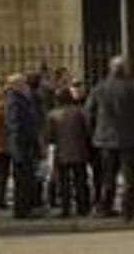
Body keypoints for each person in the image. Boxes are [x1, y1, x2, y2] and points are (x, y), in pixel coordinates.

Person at [86, 56, 134, 219]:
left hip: (106, 140)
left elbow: (88, 113)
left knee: (108, 177)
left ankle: (105, 207)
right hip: (131, 139)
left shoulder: (99, 88)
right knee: (128, 176)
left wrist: (94, 132)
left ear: (110, 69)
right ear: (125, 69)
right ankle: (128, 209)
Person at [47, 86, 92, 218]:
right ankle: (83, 208)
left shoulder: (53, 114)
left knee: (64, 182)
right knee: (81, 180)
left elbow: (49, 137)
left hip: (61, 152)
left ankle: (65, 209)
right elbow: (88, 130)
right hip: (79, 151)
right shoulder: (80, 112)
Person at [4, 72, 44, 219]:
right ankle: (22, 210)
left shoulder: (21, 98)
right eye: (23, 83)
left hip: (25, 145)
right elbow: (14, 125)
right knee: (22, 180)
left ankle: (26, 209)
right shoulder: (13, 99)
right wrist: (19, 146)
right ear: (17, 85)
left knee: (27, 179)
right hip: (21, 146)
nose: (25, 85)